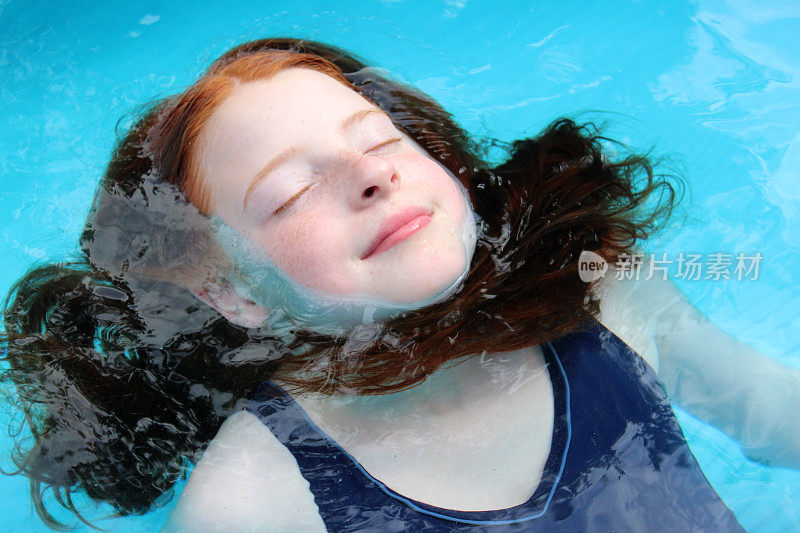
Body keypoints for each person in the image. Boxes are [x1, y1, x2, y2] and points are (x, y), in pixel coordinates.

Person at [2, 38, 798, 532]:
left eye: (378, 139)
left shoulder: (596, 295)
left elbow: (771, 416)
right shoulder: (255, 501)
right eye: (288, 195)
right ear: (234, 294)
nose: (369, 175)